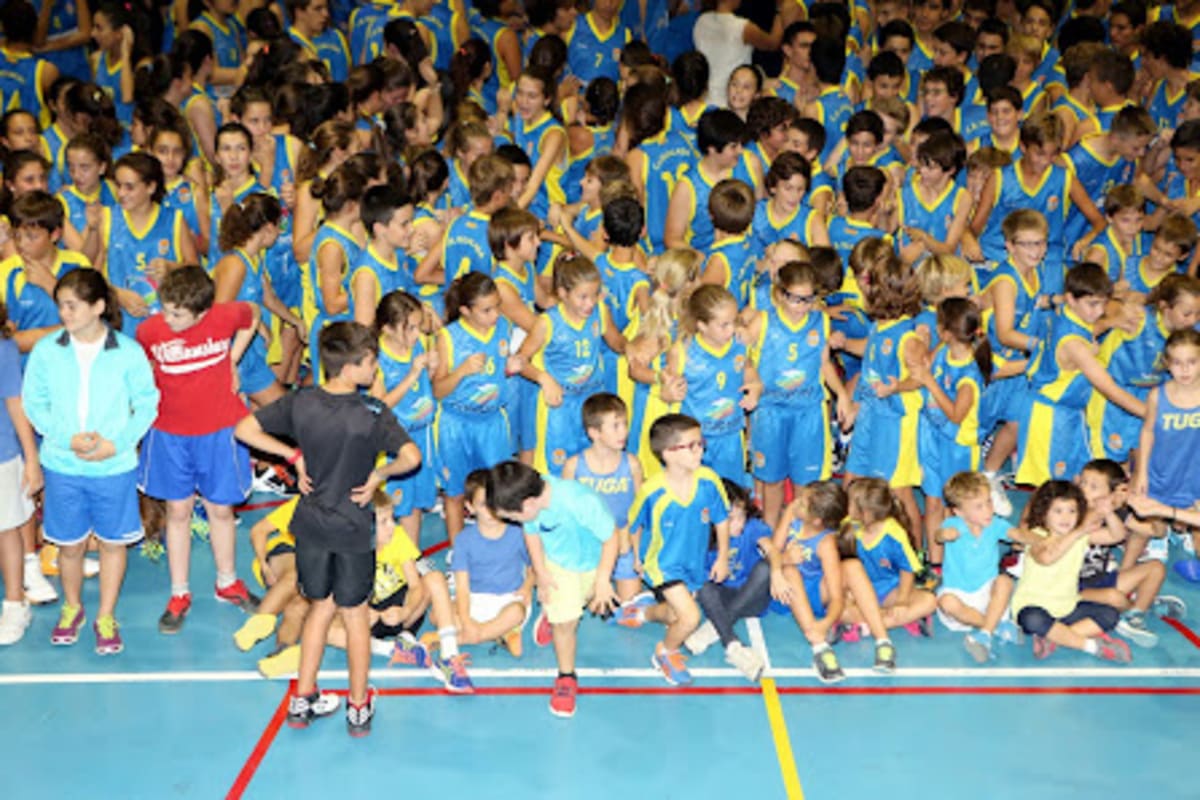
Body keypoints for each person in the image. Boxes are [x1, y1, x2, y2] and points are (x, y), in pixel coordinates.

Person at [235, 321, 422, 737]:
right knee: (354, 615)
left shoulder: (300, 401)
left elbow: (244, 429)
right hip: (353, 530)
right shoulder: (373, 412)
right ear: (352, 366)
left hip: (311, 528)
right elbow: (412, 457)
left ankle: (302, 699)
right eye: (371, 362)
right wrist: (379, 475)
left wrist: (292, 456)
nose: (375, 369)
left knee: (319, 606)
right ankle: (358, 705)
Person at [21, 269, 159, 654]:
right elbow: (35, 403)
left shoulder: (128, 352)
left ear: (98, 307)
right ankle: (73, 608)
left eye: (72, 306)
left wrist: (117, 444)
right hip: (63, 466)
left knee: (113, 544)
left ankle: (106, 615)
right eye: (61, 306)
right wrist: (64, 438)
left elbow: (147, 404)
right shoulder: (47, 351)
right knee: (69, 546)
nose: (64, 314)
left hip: (113, 467)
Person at [137, 266, 262, 634]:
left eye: (177, 314)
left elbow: (253, 314)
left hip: (220, 432)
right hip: (170, 434)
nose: (168, 319)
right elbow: (143, 367)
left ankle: (227, 582)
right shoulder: (149, 331)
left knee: (220, 510)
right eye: (165, 309)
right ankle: (179, 593)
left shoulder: (223, 317)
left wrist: (232, 359)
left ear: (203, 312)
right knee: (178, 512)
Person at [486, 460, 619, 719]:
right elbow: (532, 533)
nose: (512, 522)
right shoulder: (530, 502)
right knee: (566, 623)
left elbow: (611, 537)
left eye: (512, 518)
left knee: (587, 600)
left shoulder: (579, 501)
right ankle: (566, 676)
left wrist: (603, 580)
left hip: (595, 562)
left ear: (528, 504)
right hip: (560, 565)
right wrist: (541, 572)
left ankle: (553, 614)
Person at [741, 261, 854, 527]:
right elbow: (741, 360)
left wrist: (842, 394)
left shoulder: (820, 321)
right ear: (779, 294)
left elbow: (824, 364)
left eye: (809, 298)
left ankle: (802, 534)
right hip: (770, 411)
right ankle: (769, 531)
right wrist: (751, 384)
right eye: (795, 299)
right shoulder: (762, 321)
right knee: (772, 480)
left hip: (808, 411)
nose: (802, 306)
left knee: (806, 482)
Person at [626, 413, 731, 686]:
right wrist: (636, 556)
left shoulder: (709, 481)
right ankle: (665, 652)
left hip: (693, 562)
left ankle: (643, 612)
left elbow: (722, 520)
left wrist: (722, 556)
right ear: (668, 453)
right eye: (691, 446)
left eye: (701, 443)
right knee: (690, 617)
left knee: (674, 614)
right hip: (663, 563)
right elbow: (634, 524)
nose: (700, 450)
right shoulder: (652, 491)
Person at [432, 272, 522, 542]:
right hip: (456, 424)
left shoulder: (504, 328)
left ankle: (502, 548)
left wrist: (513, 366)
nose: (495, 314)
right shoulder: (448, 337)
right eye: (486, 310)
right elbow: (437, 391)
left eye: (497, 306)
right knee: (455, 493)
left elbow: (503, 364)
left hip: (492, 422)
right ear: (465, 311)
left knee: (499, 490)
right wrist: (461, 371)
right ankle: (458, 550)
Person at [517, 255, 624, 475]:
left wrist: (633, 348)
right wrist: (544, 379)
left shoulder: (600, 311)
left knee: (593, 462)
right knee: (557, 469)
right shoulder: (547, 322)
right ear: (563, 293)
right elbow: (519, 361)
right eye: (583, 297)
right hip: (560, 404)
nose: (590, 303)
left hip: (592, 399)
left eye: (595, 294)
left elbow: (616, 341)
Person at [1011, 480, 1132, 662]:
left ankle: (1055, 637)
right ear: (1044, 513)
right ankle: (1091, 646)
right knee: (1031, 619)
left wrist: (1107, 513)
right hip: (1035, 607)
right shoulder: (1036, 535)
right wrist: (1078, 531)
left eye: (1072, 511)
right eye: (1058, 511)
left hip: (1067, 606)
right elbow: (1047, 558)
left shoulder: (1081, 536)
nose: (1066, 517)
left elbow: (1117, 535)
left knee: (1110, 614)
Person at [665, 285, 761, 488]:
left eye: (734, 321)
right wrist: (668, 393)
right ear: (702, 325)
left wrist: (755, 386)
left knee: (731, 494)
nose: (732, 329)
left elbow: (748, 369)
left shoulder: (739, 344)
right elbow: (668, 394)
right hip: (693, 442)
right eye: (724, 325)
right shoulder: (682, 352)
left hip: (730, 437)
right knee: (696, 494)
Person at [563, 393, 645, 607]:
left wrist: (635, 551)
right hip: (589, 542)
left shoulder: (632, 464)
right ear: (594, 433)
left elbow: (639, 511)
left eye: (625, 424)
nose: (624, 432)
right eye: (615, 426)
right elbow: (566, 514)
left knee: (629, 606)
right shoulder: (574, 466)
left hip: (623, 541)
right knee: (581, 601)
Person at [370, 290, 438, 547]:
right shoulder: (377, 359)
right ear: (387, 328)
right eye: (410, 328)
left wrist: (432, 367)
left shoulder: (417, 345)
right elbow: (380, 405)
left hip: (422, 435)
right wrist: (412, 375)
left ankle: (412, 556)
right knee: (390, 506)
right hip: (394, 444)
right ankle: (386, 562)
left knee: (415, 504)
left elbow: (426, 386)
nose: (417, 334)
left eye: (419, 327)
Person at [934, 471, 1022, 663]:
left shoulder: (995, 524)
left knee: (1005, 582)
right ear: (959, 512)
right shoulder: (953, 524)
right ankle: (994, 626)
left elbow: (1016, 534)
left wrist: (1039, 540)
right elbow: (939, 535)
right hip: (960, 597)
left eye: (989, 502)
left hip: (987, 594)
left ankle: (984, 634)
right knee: (946, 602)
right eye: (979, 507)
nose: (988, 510)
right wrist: (944, 535)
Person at [445, 469, 533, 657]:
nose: (491, 510)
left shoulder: (517, 532)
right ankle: (499, 633)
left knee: (516, 612)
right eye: (484, 504)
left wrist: (527, 587)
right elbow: (462, 587)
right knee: (440, 614)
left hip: (509, 598)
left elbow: (533, 566)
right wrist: (466, 621)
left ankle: (467, 637)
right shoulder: (463, 540)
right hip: (475, 598)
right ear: (470, 507)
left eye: (495, 501)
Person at [1133, 329, 1200, 564]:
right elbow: (1147, 431)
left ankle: (1186, 529)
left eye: (1192, 362)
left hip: (1194, 471)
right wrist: (1141, 472)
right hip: (1162, 469)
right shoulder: (1157, 396)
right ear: (1167, 364)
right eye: (1177, 363)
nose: (1185, 369)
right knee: (1154, 512)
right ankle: (1160, 536)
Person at [843, 477, 937, 634]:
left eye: (850, 502)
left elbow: (907, 570)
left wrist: (901, 601)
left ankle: (867, 625)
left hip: (890, 591)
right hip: (859, 591)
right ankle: (887, 620)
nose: (846, 506)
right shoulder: (848, 525)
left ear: (866, 512)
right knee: (837, 607)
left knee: (930, 601)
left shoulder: (894, 534)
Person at [0, 299, 42, 644]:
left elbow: (16, 405)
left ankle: (15, 603)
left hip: (2, 456)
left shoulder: (4, 349)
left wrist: (31, 459)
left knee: (6, 529)